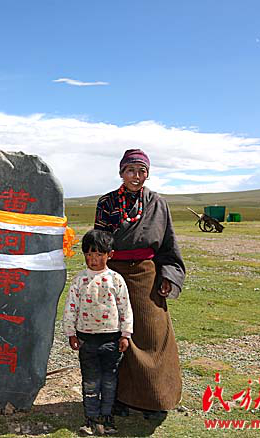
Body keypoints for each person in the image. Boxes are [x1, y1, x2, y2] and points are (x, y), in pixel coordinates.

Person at [94, 148, 185, 420]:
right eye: (131, 170)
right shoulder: (107, 202)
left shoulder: (158, 203)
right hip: (115, 275)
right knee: (114, 335)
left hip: (147, 275)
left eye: (142, 171)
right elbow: (99, 242)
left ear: (148, 174)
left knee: (152, 335)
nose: (136, 176)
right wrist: (99, 276)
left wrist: (168, 275)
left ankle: (154, 400)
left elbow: (168, 244)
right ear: (121, 172)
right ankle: (118, 399)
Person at [63, 229, 133, 436]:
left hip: (112, 339)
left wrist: (125, 335)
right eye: (89, 254)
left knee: (110, 381)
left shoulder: (116, 280)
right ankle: (91, 417)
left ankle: (107, 417)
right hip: (87, 340)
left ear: (110, 255)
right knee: (90, 381)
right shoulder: (79, 280)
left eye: (99, 254)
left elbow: (125, 308)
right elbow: (70, 308)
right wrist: (71, 333)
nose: (93, 259)